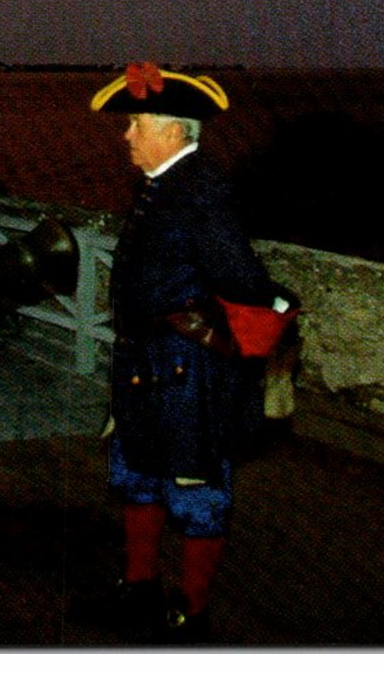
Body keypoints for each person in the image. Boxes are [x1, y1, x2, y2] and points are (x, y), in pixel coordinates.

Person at [82, 61, 293, 643]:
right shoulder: (165, 185)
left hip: (184, 369)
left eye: (136, 124)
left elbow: (247, 283)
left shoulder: (200, 191)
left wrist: (218, 343)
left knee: (196, 488)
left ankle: (190, 614)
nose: (126, 135)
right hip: (149, 365)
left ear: (173, 132)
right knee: (140, 473)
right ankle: (140, 590)